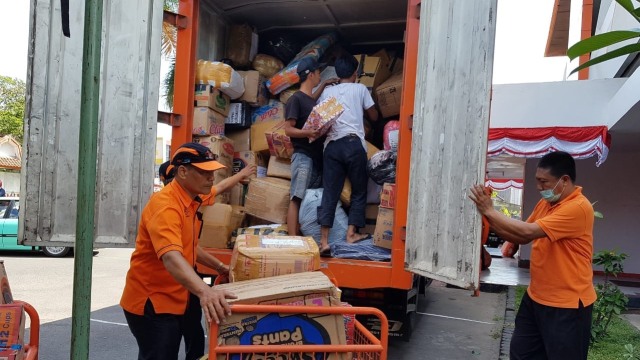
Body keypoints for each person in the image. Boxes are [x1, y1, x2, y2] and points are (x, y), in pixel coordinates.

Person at [121, 142, 256, 360]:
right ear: (183, 172)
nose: (211, 178)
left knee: (193, 342)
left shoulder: (192, 198)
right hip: (154, 303)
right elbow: (171, 257)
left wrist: (221, 267)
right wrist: (205, 291)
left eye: (212, 172)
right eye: (204, 173)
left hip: (177, 296)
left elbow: (189, 247)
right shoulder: (166, 206)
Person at [469, 151, 595, 360]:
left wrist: (490, 211)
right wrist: (484, 216)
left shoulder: (578, 208)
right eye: (538, 181)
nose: (539, 187)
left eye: (544, 182)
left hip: (567, 305)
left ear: (564, 180)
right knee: (521, 354)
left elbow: (528, 232)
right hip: (536, 297)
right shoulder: (547, 204)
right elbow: (519, 236)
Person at [316, 55, 379, 255]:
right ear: (355, 72)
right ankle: (352, 234)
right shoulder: (360, 89)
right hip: (353, 144)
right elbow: (374, 116)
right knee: (359, 190)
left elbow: (319, 118)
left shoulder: (327, 92)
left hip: (332, 146)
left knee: (330, 192)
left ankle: (324, 241)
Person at [284, 57, 337, 236]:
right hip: (303, 156)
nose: (320, 75)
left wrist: (324, 85)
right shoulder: (295, 99)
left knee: (310, 197)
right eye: (318, 73)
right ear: (311, 74)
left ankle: (304, 236)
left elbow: (311, 99)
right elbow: (288, 130)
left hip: (315, 158)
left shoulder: (309, 99)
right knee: (297, 197)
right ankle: (292, 239)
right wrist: (308, 133)